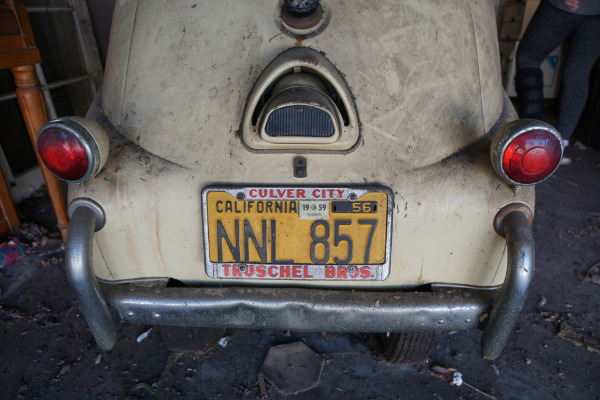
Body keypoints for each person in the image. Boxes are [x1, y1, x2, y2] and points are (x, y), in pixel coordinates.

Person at [515, 0, 600, 154]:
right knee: (578, 74)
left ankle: (532, 137)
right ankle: (561, 146)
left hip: (568, 5)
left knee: (528, 58)